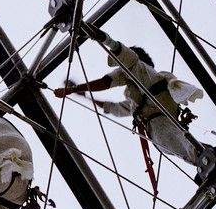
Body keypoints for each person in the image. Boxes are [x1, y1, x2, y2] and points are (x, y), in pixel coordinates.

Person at [52, 26, 208, 165]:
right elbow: (115, 108)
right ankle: (204, 159)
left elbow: (107, 80)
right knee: (169, 143)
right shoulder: (137, 98)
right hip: (158, 113)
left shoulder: (138, 68)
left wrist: (104, 39)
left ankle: (205, 158)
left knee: (167, 138)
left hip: (158, 108)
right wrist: (84, 96)